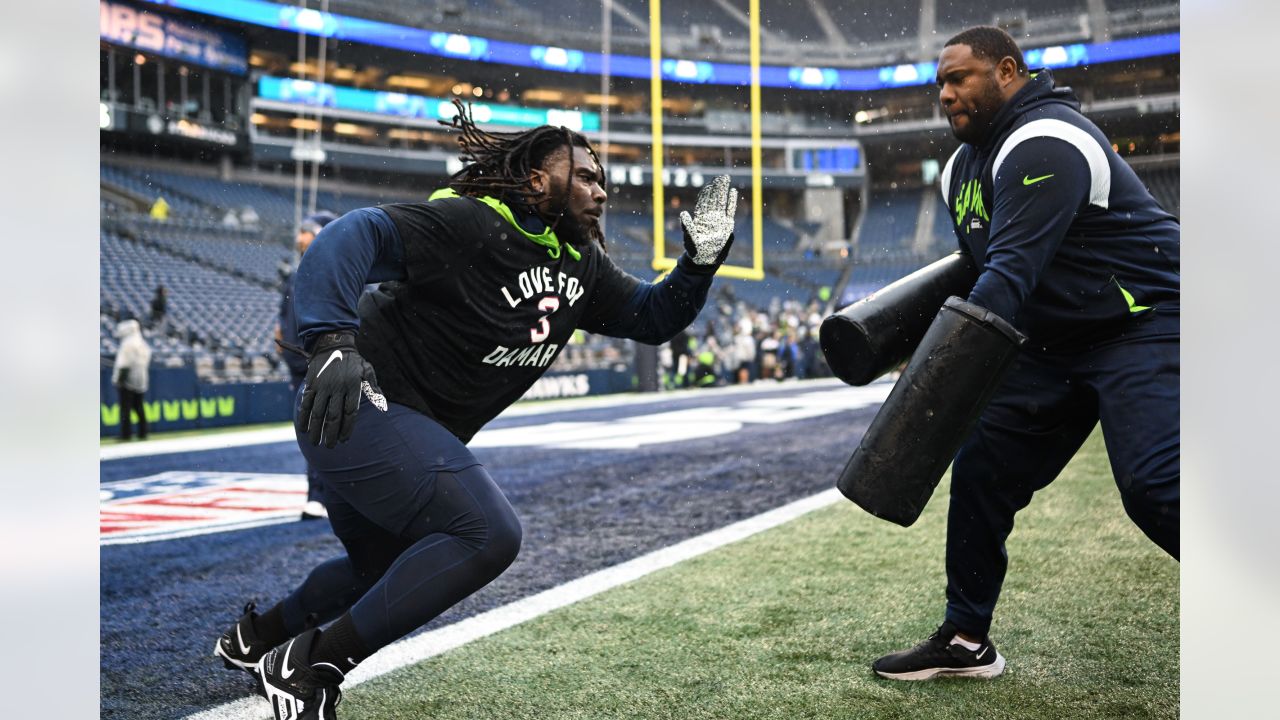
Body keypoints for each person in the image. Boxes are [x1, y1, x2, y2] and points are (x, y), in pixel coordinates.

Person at [213, 101, 738, 720]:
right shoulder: (472, 226)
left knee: (382, 573)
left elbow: (653, 318)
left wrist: (699, 264)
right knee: (488, 533)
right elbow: (350, 233)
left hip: (390, 436)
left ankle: (256, 638)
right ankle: (311, 665)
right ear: (539, 180)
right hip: (357, 407)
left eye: (603, 180)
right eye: (588, 176)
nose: (602, 189)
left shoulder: (582, 263)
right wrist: (331, 340)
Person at [870, 26, 1180, 681]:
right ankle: (965, 640)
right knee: (982, 467)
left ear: (1007, 71)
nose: (946, 94)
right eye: (940, 84)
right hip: (1055, 341)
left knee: (1155, 485)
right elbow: (976, 270)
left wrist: (926, 393)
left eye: (960, 79)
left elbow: (1005, 278)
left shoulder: (1047, 139)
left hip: (1145, 322)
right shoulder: (960, 168)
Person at [278, 210, 339, 520]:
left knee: (323, 432)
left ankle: (322, 495)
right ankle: (321, 494)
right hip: (302, 364)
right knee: (313, 432)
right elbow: (285, 318)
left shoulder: (331, 269)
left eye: (306, 231)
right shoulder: (298, 273)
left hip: (320, 363)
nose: (300, 238)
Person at [111, 319, 152, 441]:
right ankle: (143, 432)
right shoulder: (142, 343)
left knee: (125, 408)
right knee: (139, 407)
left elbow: (124, 364)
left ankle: (126, 434)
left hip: (127, 379)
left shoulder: (127, 344)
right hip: (141, 378)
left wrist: (119, 379)